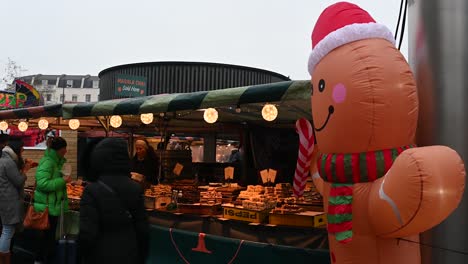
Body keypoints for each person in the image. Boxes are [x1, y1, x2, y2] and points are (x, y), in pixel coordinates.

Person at [79, 138, 149, 264]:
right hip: (129, 253)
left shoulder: (92, 190)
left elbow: (87, 233)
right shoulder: (135, 188)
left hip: (100, 255)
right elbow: (143, 230)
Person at [34, 137, 70, 263]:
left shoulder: (57, 162)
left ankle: (44, 260)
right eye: (64, 148)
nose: (66, 151)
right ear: (59, 149)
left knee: (49, 238)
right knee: (47, 238)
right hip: (47, 207)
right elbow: (42, 184)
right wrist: (62, 181)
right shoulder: (48, 162)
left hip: (53, 205)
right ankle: (40, 260)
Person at [0, 140, 32, 263]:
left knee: (6, 230)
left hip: (4, 199)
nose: (23, 150)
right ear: (16, 149)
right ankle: (4, 259)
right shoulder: (8, 162)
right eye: (22, 148)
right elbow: (18, 181)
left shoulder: (4, 159)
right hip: (9, 201)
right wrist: (25, 171)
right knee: (7, 231)